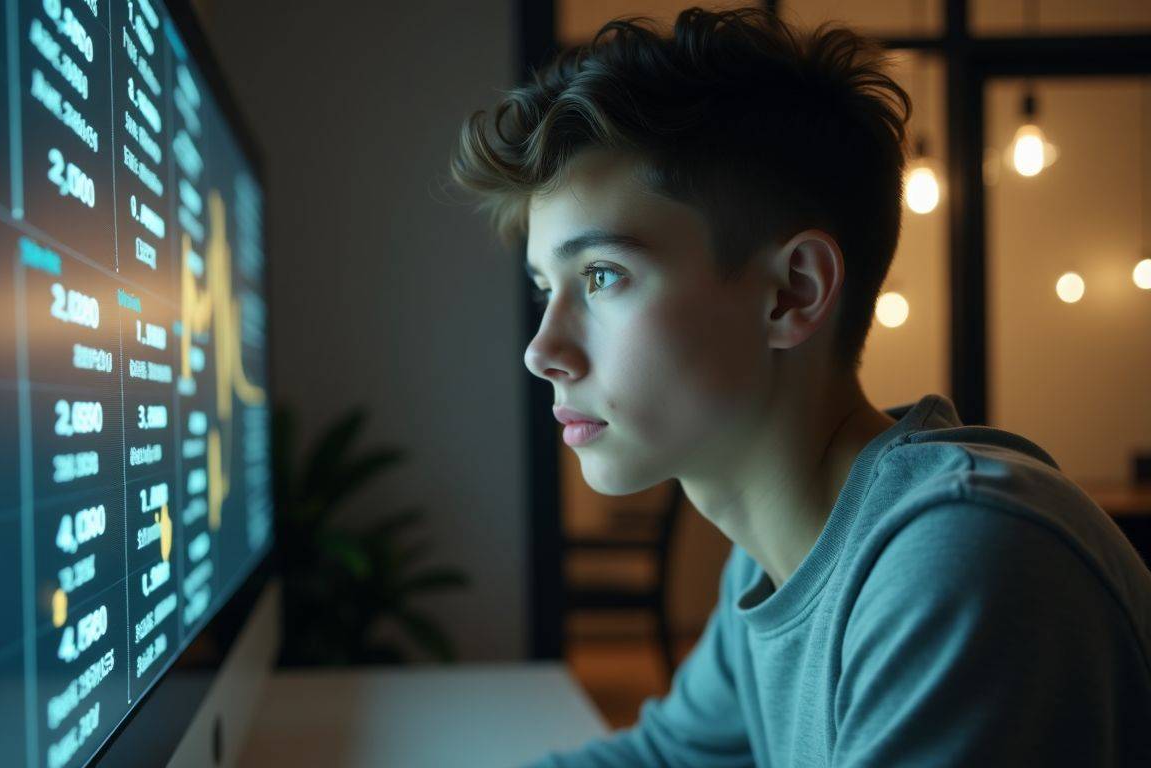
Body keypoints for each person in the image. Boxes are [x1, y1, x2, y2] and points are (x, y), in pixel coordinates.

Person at [449, 7, 1151, 766]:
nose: (541, 351)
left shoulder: (958, 557)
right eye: (543, 287)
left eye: (602, 276)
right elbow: (663, 759)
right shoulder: (773, 553)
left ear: (793, 293)